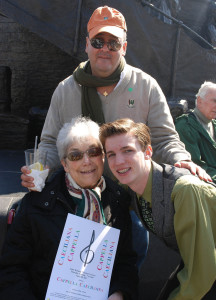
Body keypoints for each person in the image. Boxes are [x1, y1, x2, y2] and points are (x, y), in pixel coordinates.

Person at [20, 5, 210, 269]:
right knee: (78, 269)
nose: (105, 48)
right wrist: (39, 168)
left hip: (130, 200)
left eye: (113, 42)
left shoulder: (145, 85)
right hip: (79, 198)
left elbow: (166, 139)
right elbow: (51, 142)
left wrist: (182, 160)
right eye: (98, 41)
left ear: (124, 46)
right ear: (87, 44)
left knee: (128, 264)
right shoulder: (66, 89)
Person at [0, 117, 138, 300]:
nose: (86, 161)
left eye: (93, 151)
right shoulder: (36, 203)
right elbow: (12, 269)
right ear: (64, 164)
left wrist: (119, 293)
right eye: (75, 155)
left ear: (103, 156)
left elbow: (125, 263)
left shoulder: (118, 200)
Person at [99, 118, 216, 300]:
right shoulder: (129, 185)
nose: (119, 161)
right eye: (111, 154)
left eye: (127, 150)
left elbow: (201, 273)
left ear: (148, 152)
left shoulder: (184, 190)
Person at [175, 81, 216, 183]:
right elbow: (197, 167)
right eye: (214, 101)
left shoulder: (213, 124)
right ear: (199, 101)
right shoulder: (185, 126)